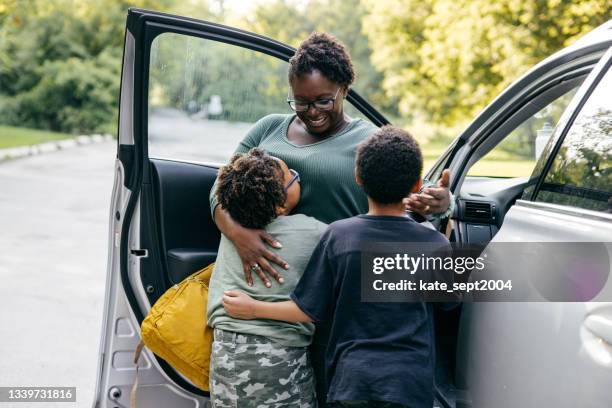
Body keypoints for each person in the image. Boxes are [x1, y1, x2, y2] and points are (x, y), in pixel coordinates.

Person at [209, 32, 455, 405]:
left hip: (334, 294)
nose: (311, 111)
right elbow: (221, 187)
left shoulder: (370, 141)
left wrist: (441, 206)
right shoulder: (267, 128)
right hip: (270, 293)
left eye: (323, 99)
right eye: (300, 102)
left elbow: (400, 200)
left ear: (344, 89)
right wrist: (238, 232)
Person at [222, 126, 451, 408]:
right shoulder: (434, 243)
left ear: (357, 178)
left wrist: (253, 308)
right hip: (409, 383)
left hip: (351, 380)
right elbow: (448, 304)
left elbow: (309, 308)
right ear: (417, 184)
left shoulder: (339, 236)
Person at [207, 148, 327, 407]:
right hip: (278, 354)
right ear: (281, 205)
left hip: (225, 349)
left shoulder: (232, 231)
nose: (296, 175)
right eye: (289, 175)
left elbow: (220, 186)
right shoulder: (312, 231)